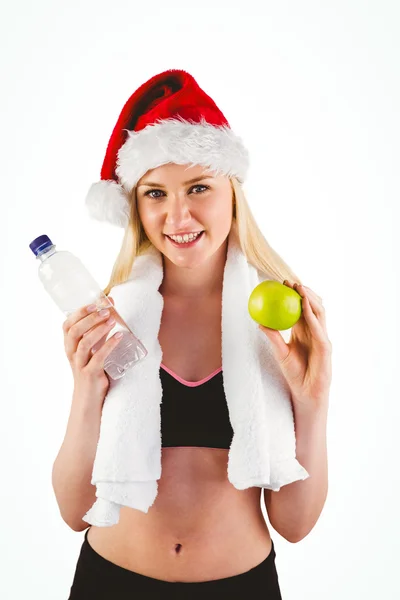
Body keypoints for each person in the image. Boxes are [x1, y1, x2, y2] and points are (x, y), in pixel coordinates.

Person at [52, 69, 332, 599]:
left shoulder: (275, 320)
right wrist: (85, 389)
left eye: (198, 187)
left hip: (242, 586)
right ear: (136, 205)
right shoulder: (112, 318)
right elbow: (73, 512)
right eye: (155, 193)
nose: (177, 214)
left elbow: (294, 524)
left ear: (232, 194)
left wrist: (313, 401)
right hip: (111, 582)